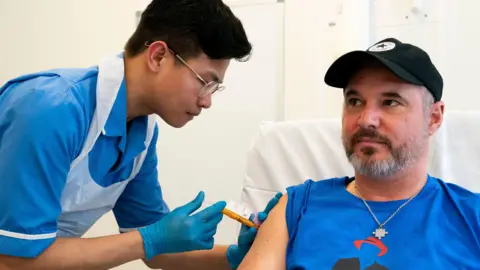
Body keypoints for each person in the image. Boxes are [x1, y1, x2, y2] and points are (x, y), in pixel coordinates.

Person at [0, 0, 281, 269]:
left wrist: (235, 257)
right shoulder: (52, 109)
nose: (206, 101)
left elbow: (159, 255)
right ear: (158, 56)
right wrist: (149, 239)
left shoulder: (141, 134)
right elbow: (13, 260)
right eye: (205, 83)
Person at [237, 38, 480, 270]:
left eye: (390, 102)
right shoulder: (296, 208)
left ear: (434, 117)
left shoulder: (471, 217)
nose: (366, 120)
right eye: (354, 101)